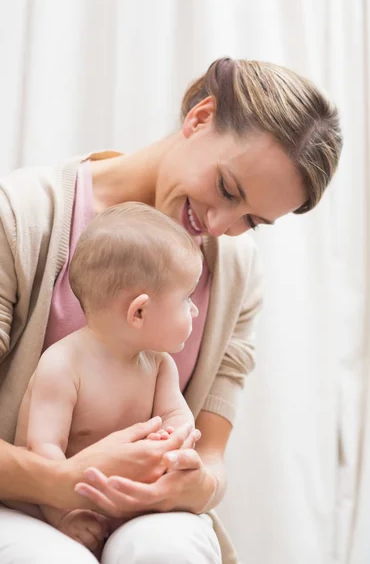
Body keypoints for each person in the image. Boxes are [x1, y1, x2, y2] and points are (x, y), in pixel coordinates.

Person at [0, 57, 342, 564]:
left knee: (166, 550)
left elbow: (211, 460)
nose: (218, 224)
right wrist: (63, 483)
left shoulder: (237, 275)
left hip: (139, 518)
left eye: (251, 219)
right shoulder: (22, 215)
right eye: (227, 188)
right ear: (200, 118)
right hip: (14, 501)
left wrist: (189, 485)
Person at [7, 202, 203, 556]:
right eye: (186, 298)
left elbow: (177, 415)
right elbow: (44, 450)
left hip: (122, 503)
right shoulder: (63, 365)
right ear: (138, 312)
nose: (195, 309)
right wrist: (65, 514)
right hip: (52, 504)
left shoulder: (159, 365)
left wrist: (176, 440)